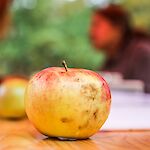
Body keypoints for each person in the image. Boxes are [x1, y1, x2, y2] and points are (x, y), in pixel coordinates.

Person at [90, 4, 150, 93]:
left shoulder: (142, 53)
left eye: (97, 25)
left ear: (117, 28)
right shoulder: (110, 60)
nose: (91, 31)